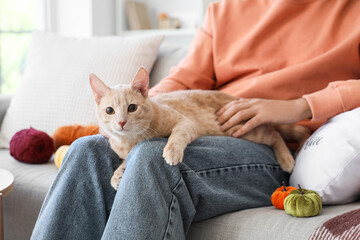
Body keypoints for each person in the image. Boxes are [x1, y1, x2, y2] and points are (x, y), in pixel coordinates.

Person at [31, 0, 360, 239]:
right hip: (207, 121)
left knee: (152, 158)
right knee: (86, 150)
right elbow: (183, 81)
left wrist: (297, 105)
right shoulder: (225, 9)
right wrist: (141, 111)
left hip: (266, 144)